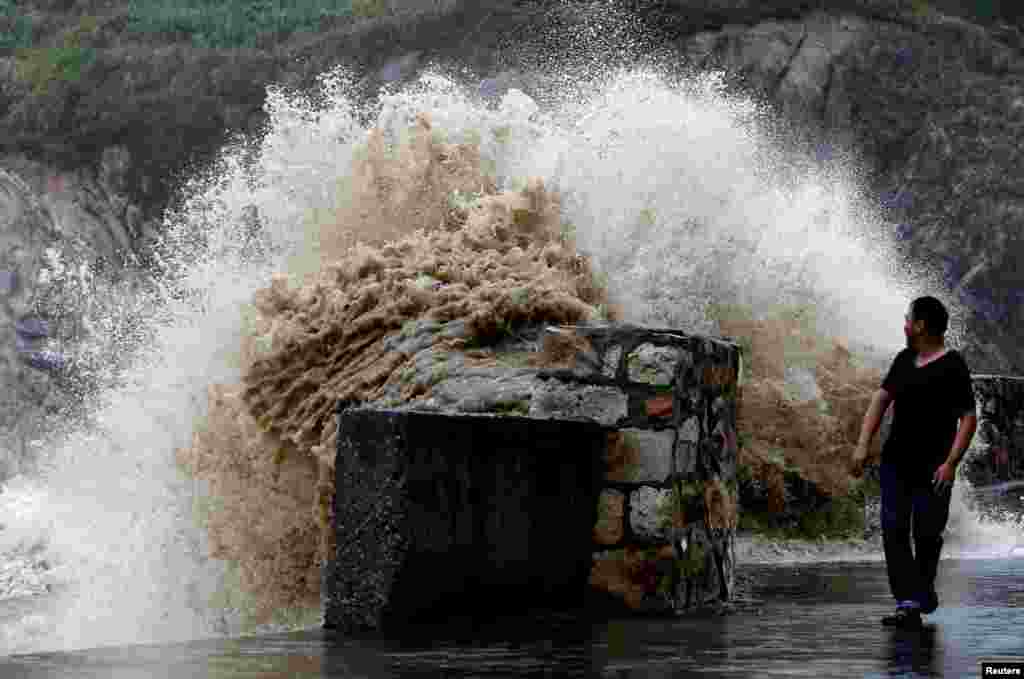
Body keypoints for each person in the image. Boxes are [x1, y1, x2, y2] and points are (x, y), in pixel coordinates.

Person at [850, 296, 977, 627]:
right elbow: (881, 398)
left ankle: (921, 591)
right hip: (896, 463)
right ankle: (908, 600)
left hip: (934, 467)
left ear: (920, 325)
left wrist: (951, 463)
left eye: (908, 319)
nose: (904, 325)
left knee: (927, 533)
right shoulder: (904, 360)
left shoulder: (953, 365)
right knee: (893, 528)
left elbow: (968, 417)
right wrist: (863, 445)